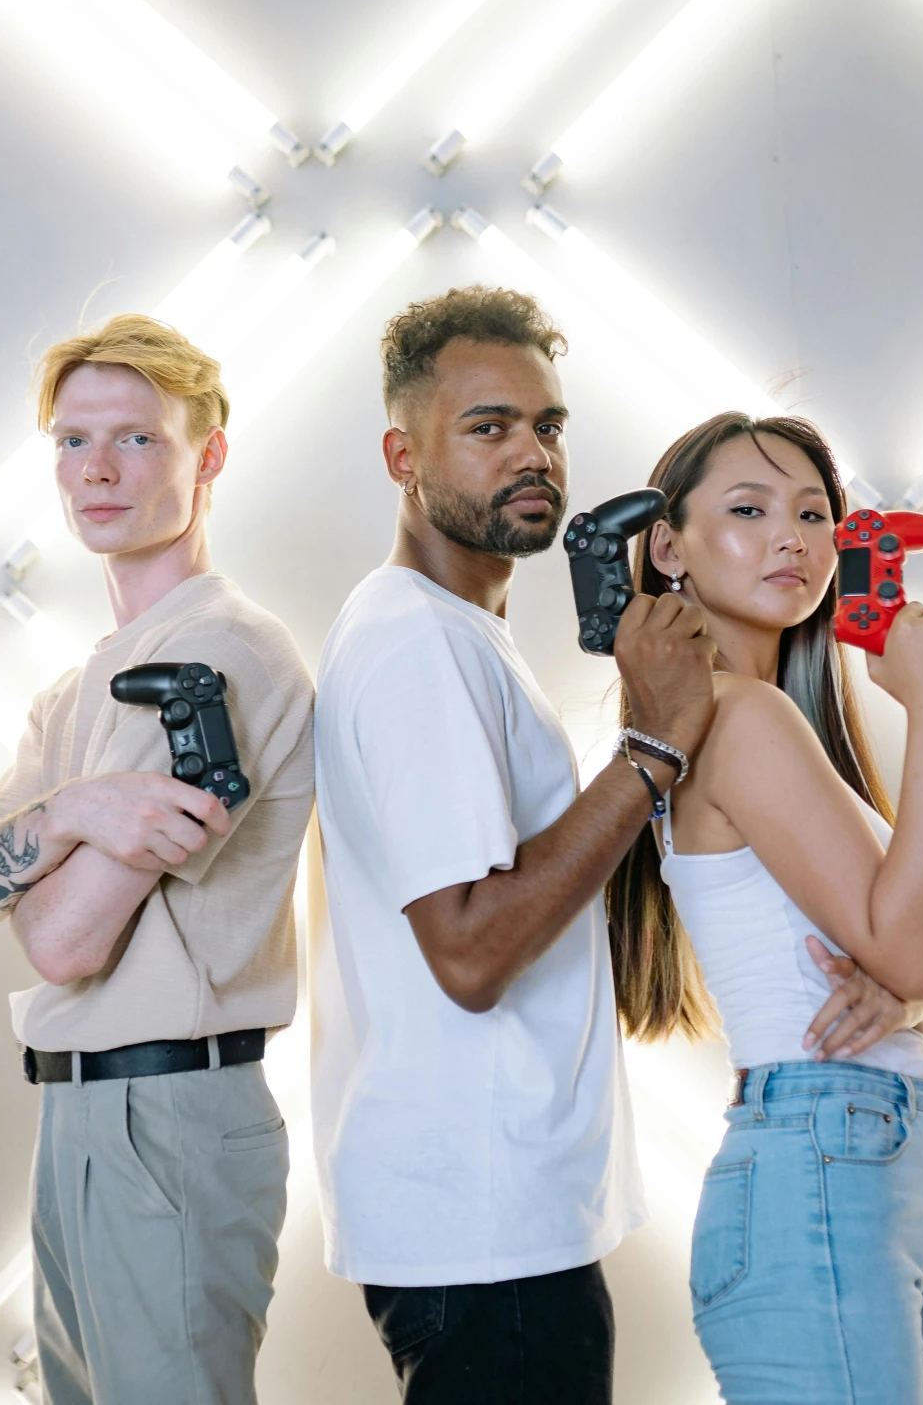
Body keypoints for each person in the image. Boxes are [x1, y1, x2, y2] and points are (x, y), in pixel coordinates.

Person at [310, 285, 723, 1403]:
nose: (532, 453)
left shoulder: (458, 636)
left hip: (488, 1211)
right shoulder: (415, 648)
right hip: (481, 1222)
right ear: (405, 453)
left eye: (548, 425)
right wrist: (651, 749)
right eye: (487, 428)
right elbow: (472, 949)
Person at [0, 314, 314, 1405]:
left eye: (138, 438)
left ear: (211, 454)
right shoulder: (89, 680)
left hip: (170, 1118)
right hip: (88, 1115)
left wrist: (40, 839)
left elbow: (57, 940)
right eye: (71, 439)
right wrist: (75, 812)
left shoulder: (214, 653)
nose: (95, 469)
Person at [609, 411, 923, 1405]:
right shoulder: (737, 716)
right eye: (747, 509)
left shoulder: (772, 720)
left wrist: (912, 993)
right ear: (667, 546)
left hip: (872, 1179)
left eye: (810, 513)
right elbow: (915, 955)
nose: (791, 537)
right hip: (822, 1172)